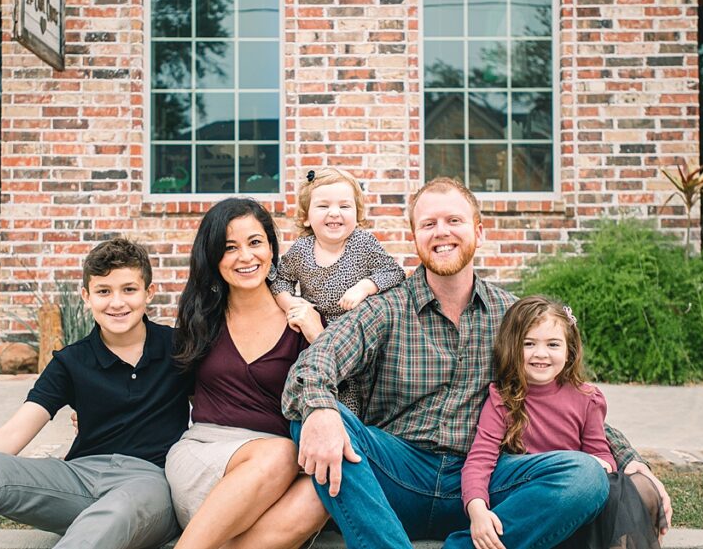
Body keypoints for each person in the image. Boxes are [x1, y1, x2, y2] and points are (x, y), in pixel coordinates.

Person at [282, 176, 672, 549]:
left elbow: (569, 399)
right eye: (429, 223)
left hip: (485, 481)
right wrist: (320, 410)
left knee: (584, 476)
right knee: (313, 415)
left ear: (479, 232)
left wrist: (629, 458)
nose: (442, 232)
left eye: (454, 220)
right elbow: (314, 364)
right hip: (394, 475)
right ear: (415, 237)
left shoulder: (511, 315)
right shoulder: (385, 308)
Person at [0, 238, 189, 549]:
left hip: (149, 484)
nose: (116, 302)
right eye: (104, 291)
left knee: (115, 511)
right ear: (86, 297)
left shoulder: (180, 348)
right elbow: (13, 433)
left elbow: (217, 412)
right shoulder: (71, 361)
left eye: (128, 289)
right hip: (79, 479)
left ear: (149, 293)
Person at [165, 197, 329, 549]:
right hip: (208, 453)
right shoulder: (201, 319)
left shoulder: (303, 321)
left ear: (271, 247)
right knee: (280, 452)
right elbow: (164, 387)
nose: (245, 257)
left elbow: (339, 392)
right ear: (213, 257)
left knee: (326, 491)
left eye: (255, 242)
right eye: (229, 248)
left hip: (279, 479)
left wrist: (318, 336)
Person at [450, 295, 666, 549]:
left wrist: (594, 463)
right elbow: (480, 460)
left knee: (635, 490)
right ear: (512, 347)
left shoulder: (587, 398)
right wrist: (477, 510)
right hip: (536, 497)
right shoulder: (503, 398)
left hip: (577, 496)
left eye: (553, 344)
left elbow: (602, 456)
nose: (540, 354)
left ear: (569, 350)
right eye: (529, 343)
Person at [271, 167, 405, 413]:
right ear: (306, 217)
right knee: (324, 396)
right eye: (323, 206)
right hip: (317, 339)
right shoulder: (301, 250)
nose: (335, 213)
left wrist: (365, 287)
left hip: (360, 339)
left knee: (358, 405)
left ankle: (357, 439)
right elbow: (280, 281)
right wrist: (292, 304)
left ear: (357, 214)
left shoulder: (363, 244)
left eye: (345, 206)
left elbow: (394, 273)